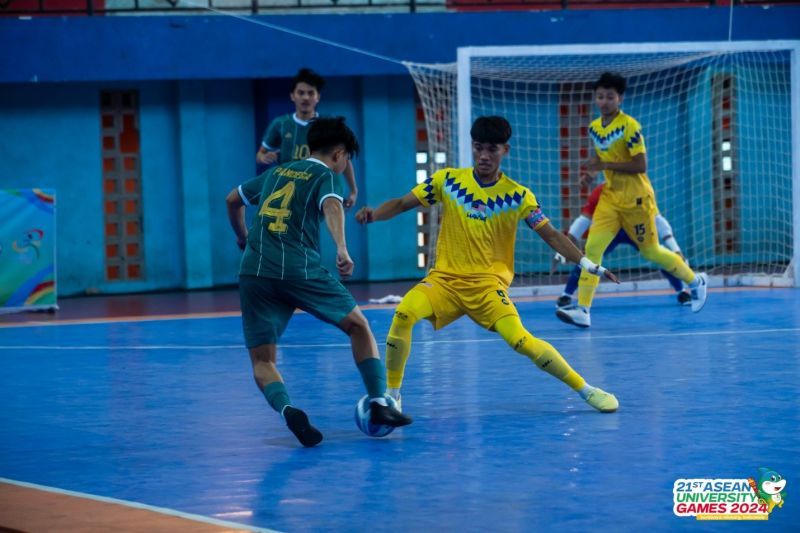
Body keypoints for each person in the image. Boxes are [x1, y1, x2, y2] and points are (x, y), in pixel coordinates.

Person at [356, 116, 620, 414]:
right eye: (478, 147)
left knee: (521, 341)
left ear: (504, 150)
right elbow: (404, 203)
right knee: (403, 313)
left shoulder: (518, 196)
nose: (483, 155)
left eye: (491, 149)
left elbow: (551, 234)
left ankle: (587, 390)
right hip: (444, 282)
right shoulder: (447, 181)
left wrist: (589, 265)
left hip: (488, 287)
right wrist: (375, 214)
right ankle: (393, 396)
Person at [236, 117, 411, 447]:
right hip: (300, 270)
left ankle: (288, 410)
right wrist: (342, 249)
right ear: (340, 153)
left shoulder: (274, 172)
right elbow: (332, 206)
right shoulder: (325, 176)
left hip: (254, 271)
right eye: (347, 159)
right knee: (358, 326)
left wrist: (243, 237)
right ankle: (378, 403)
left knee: (263, 361)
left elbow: (233, 200)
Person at [556, 72, 708, 329]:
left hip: (637, 200)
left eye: (610, 97)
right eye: (600, 96)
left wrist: (603, 163)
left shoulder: (630, 127)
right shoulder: (594, 128)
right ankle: (583, 309)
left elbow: (640, 164)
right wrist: (591, 175)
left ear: (620, 98)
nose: (604, 101)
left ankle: (695, 282)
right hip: (610, 199)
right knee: (592, 250)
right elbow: (602, 160)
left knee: (651, 251)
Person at [554, 183, 692, 308]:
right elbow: (584, 220)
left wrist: (675, 249)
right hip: (609, 232)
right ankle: (567, 295)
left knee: (659, 256)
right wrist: (565, 247)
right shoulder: (601, 191)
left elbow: (657, 219)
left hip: (635, 231)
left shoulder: (641, 190)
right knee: (589, 259)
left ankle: (682, 291)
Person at [255, 68, 357, 208]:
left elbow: (345, 159)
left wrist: (353, 190)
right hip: (288, 190)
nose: (305, 97)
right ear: (292, 96)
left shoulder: (330, 125)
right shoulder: (280, 124)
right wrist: (264, 157)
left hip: (318, 189)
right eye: (301, 93)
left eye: (310, 93)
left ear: (318, 97)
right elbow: (260, 154)